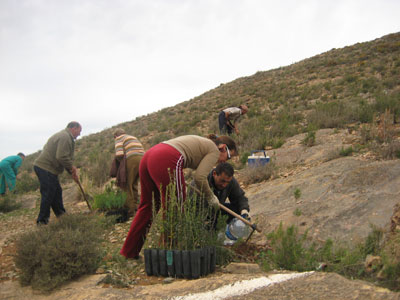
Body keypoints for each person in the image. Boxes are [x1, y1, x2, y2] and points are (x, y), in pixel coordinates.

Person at [120, 134, 237, 259]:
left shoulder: (204, 144)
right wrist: (210, 196)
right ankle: (167, 255)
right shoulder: (214, 150)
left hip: (149, 155)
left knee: (149, 206)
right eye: (229, 156)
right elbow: (199, 178)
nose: (225, 161)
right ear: (223, 148)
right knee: (175, 207)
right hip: (167, 158)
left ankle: (129, 252)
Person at [34, 121, 81, 225]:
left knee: (56, 192)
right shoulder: (65, 137)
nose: (79, 134)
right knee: (48, 194)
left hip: (48, 169)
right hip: (45, 168)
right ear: (74, 128)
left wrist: (71, 172)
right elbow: (61, 157)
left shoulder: (65, 136)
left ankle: (61, 215)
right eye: (79, 131)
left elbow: (62, 157)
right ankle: (42, 221)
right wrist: (72, 168)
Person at [113, 128, 145, 217]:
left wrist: (119, 165)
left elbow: (119, 154)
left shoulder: (119, 138)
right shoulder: (132, 137)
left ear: (115, 136)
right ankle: (136, 207)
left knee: (126, 185)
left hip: (132, 158)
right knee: (134, 183)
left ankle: (130, 211)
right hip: (143, 159)